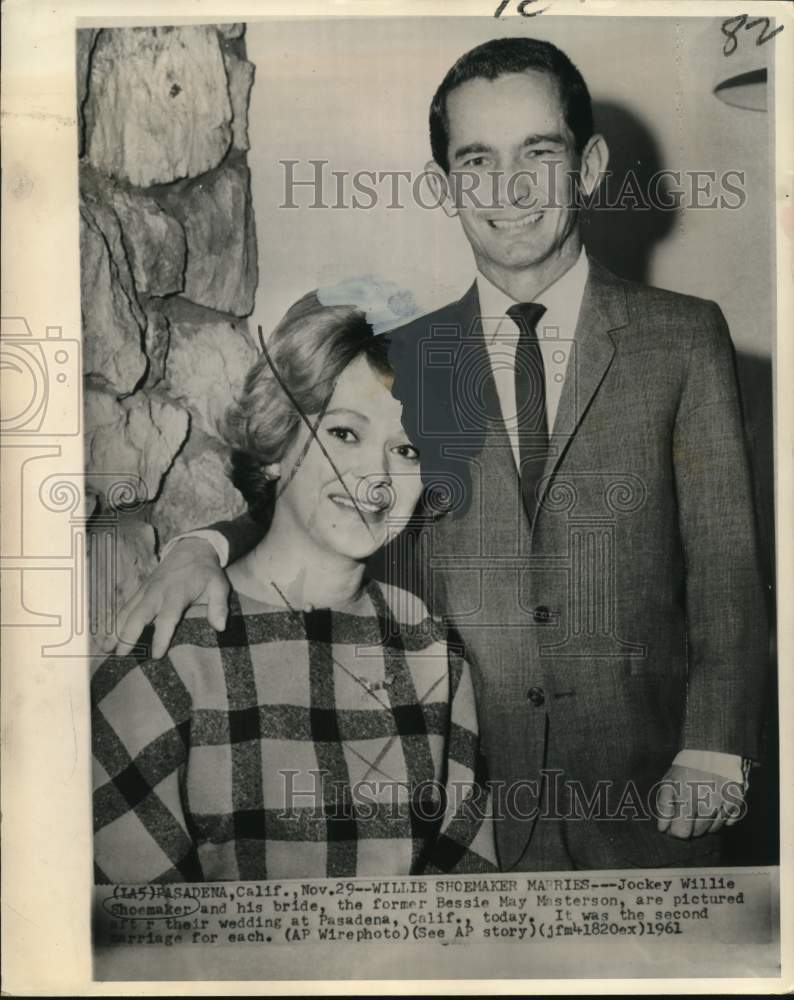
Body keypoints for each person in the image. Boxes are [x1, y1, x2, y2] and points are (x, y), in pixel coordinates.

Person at [107, 38, 768, 872]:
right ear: (442, 184)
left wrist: (715, 746)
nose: (509, 190)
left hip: (654, 803)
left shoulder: (685, 337)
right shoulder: (405, 358)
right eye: (477, 161)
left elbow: (727, 562)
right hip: (463, 814)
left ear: (592, 165)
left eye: (541, 154)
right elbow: (321, 488)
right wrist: (201, 546)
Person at [92, 288, 496, 883]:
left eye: (406, 449)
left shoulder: (431, 648)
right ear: (280, 440)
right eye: (344, 434)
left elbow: (468, 894)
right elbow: (138, 935)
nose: (375, 478)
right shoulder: (168, 647)